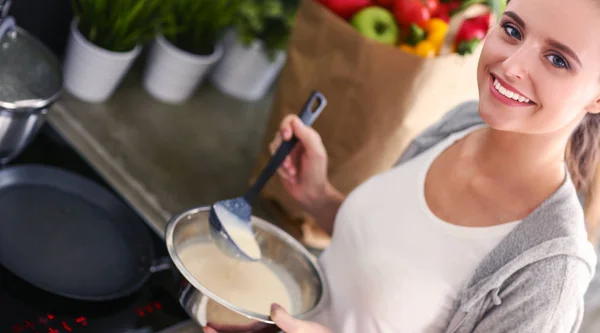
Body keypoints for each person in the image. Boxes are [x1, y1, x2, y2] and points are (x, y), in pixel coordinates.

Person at [206, 0, 600, 331]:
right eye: (513, 31)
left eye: (557, 59)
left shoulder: (551, 274)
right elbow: (385, 259)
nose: (512, 64)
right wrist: (316, 195)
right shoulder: (460, 123)